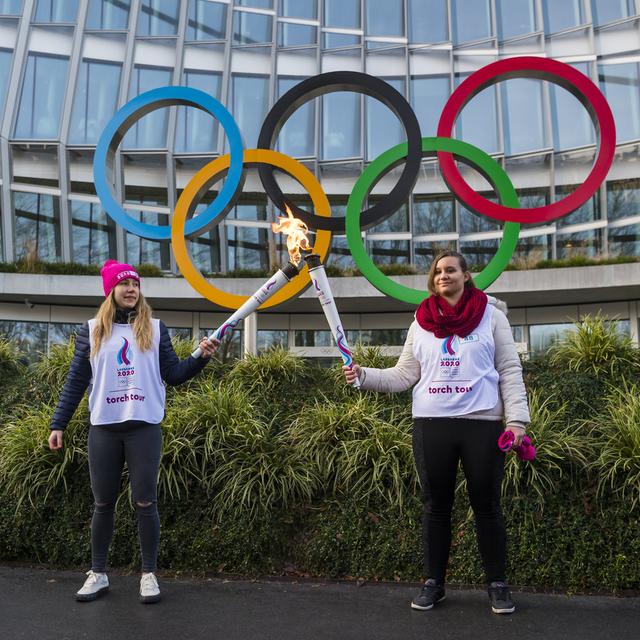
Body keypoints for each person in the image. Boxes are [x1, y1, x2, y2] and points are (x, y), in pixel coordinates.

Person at [343, 251, 530, 614]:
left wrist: (517, 421)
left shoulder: (492, 317)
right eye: (438, 271)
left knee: (487, 505)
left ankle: (497, 584)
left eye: (451, 270)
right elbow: (403, 375)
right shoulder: (421, 320)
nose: (443, 275)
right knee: (436, 506)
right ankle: (434, 583)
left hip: (482, 424)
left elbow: (509, 369)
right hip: (431, 424)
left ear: (466, 275)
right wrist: (363, 375)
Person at [48, 260, 218, 604]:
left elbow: (173, 374)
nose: (131, 290)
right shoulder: (93, 329)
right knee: (102, 503)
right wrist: (58, 423)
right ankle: (98, 574)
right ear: (111, 291)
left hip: (143, 428)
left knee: (145, 501)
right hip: (105, 430)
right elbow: (76, 381)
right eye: (124, 284)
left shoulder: (155, 328)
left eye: (135, 285)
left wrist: (200, 356)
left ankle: (149, 574)